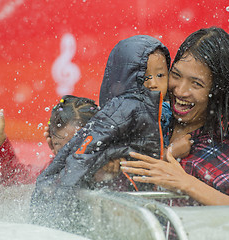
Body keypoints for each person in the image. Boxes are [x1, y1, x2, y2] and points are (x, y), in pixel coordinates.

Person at [120, 27, 229, 205]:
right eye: (176, 75)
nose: (180, 91)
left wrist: (188, 184)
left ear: (218, 93)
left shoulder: (225, 152)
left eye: (197, 84)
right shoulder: (152, 123)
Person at [34, 35, 191, 193]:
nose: (153, 83)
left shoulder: (169, 112)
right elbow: (91, 156)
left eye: (160, 75)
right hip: (128, 196)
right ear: (125, 79)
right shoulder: (123, 112)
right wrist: (170, 152)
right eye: (144, 77)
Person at [0, 91, 107, 187]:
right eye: (62, 148)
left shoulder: (113, 165)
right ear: (50, 142)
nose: (70, 155)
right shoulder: (53, 172)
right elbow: (14, 180)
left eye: (77, 146)